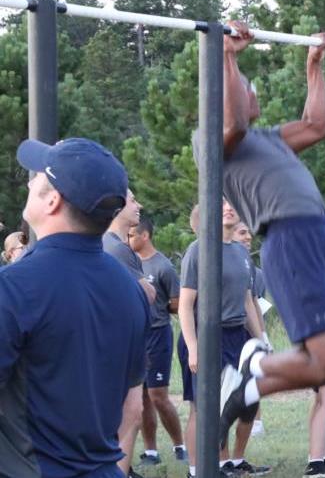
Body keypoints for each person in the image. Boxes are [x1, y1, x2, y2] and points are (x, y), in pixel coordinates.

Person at [208, 21, 325, 444]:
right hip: (289, 238)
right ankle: (252, 371)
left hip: (320, 237)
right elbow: (235, 120)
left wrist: (314, 67)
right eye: (245, 86)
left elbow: (316, 124)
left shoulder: (270, 138)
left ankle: (249, 379)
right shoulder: (217, 141)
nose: (251, 92)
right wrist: (228, 56)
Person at [0, 137, 147, 477]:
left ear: (52, 200)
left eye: (38, 175)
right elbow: (131, 406)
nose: (30, 179)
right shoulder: (130, 288)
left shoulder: (15, 288)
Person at [177, 199, 269, 477]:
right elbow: (184, 304)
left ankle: (226, 463)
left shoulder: (240, 253)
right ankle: (198, 469)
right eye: (221, 204)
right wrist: (193, 347)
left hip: (236, 336)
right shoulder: (199, 249)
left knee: (239, 403)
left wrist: (262, 340)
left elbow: (247, 302)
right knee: (203, 407)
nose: (228, 208)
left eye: (232, 204)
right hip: (206, 335)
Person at [104, 189, 157, 478]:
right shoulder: (117, 248)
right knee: (130, 413)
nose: (139, 204)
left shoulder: (115, 245)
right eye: (134, 199)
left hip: (119, 343)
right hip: (120, 345)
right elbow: (147, 293)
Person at [128, 216, 187, 464]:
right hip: (136, 336)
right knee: (140, 397)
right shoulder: (128, 262)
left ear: (145, 236)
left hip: (158, 334)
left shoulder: (162, 266)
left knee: (158, 396)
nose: (128, 239)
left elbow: (176, 303)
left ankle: (180, 446)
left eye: (132, 235)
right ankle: (151, 452)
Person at [231, 221, 269, 437]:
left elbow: (254, 303)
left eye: (249, 233)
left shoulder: (252, 267)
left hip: (249, 327)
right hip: (229, 328)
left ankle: (255, 421)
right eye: (242, 232)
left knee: (251, 376)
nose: (248, 237)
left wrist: (262, 337)